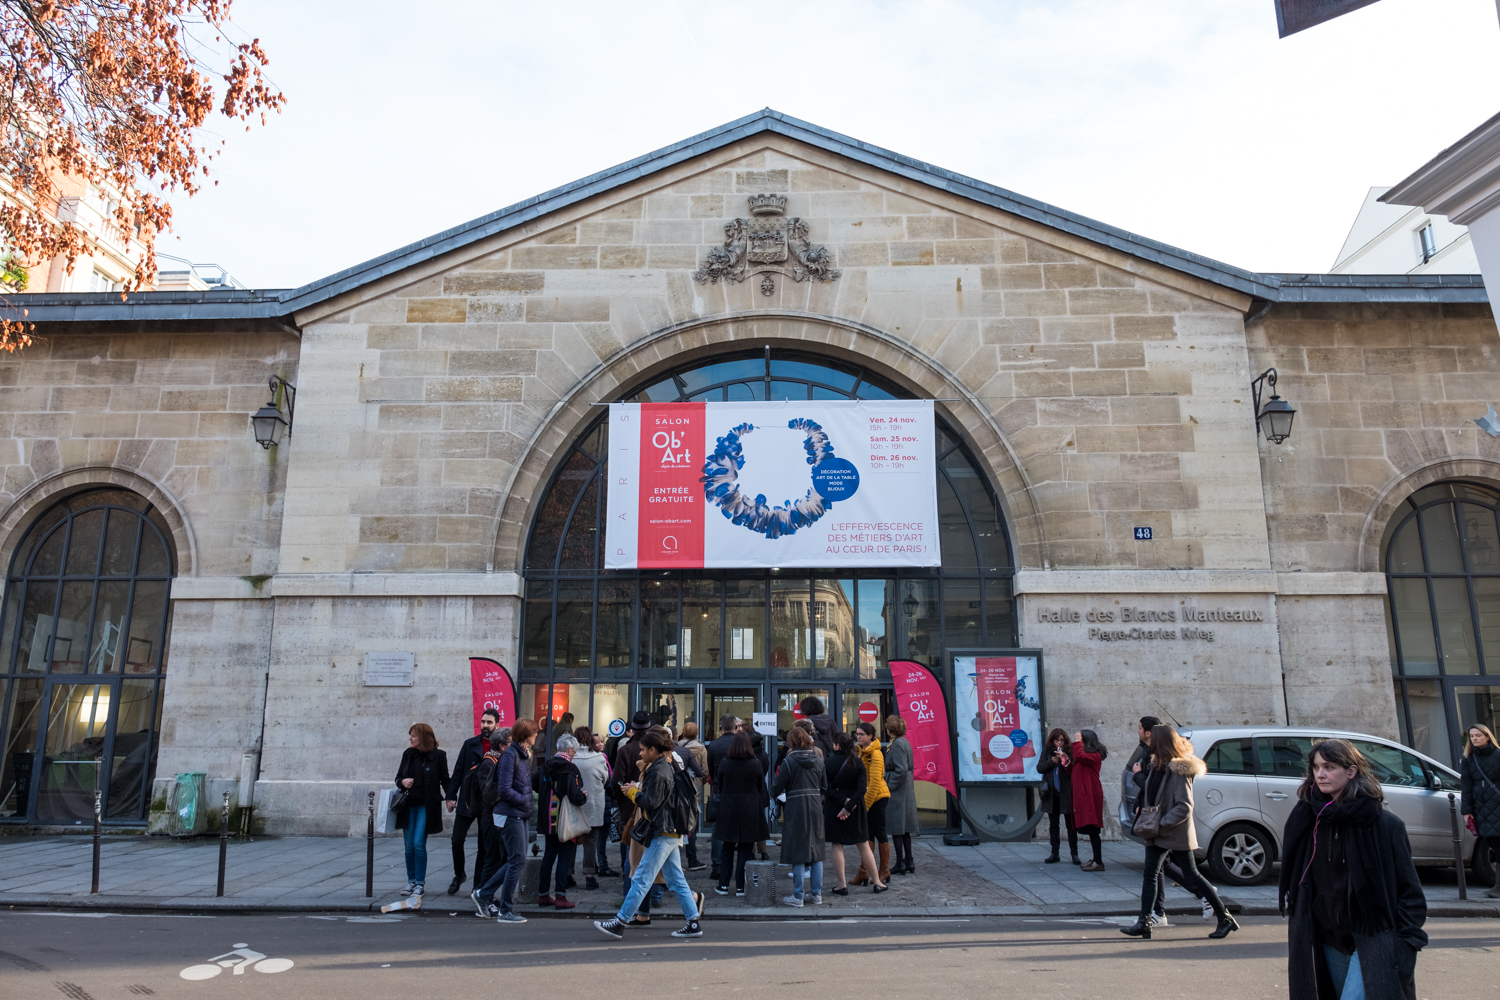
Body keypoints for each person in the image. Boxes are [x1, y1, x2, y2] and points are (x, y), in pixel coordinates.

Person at [1278, 738, 1427, 998]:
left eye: (1329, 767)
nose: (1320, 774)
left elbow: (1410, 893)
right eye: (1315, 767)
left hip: (1372, 938)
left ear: (1351, 771)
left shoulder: (1385, 825)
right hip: (1326, 939)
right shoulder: (1307, 819)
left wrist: (1407, 944)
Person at [1121, 725, 1236, 941]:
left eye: (1153, 739)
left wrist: (1161, 824)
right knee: (1150, 875)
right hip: (1158, 831)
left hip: (1173, 831)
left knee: (1192, 875)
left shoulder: (1178, 769)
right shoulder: (1158, 766)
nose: (1149, 743)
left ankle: (1225, 917)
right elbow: (1152, 795)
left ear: (1161, 742)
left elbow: (1184, 806)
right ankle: (1144, 922)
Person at [593, 729, 706, 939]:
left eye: (643, 750)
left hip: (662, 830)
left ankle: (620, 922)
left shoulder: (660, 769)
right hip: (669, 830)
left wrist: (633, 792)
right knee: (675, 879)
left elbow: (651, 802)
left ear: (653, 750)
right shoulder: (664, 766)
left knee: (642, 877)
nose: (640, 754)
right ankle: (692, 922)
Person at [474, 717, 538, 924]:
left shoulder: (520, 754)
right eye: (534, 732)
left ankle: (484, 894)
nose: (537, 735)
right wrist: (525, 800)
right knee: (516, 860)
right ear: (527, 735)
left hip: (519, 812)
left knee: (516, 860)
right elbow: (504, 789)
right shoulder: (511, 755)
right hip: (511, 812)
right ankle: (505, 909)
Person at [443, 708, 499, 895]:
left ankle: (478, 884)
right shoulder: (470, 745)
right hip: (468, 800)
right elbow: (458, 772)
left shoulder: (500, 748)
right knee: (456, 840)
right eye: (483, 722)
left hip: (487, 803)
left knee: (484, 846)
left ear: (496, 725)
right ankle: (459, 875)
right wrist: (450, 796)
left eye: (489, 722)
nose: (485, 725)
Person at [826, 731, 888, 894]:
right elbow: (861, 789)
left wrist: (843, 803)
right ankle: (877, 882)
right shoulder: (858, 763)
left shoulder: (828, 763)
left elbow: (826, 789)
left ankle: (842, 885)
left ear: (837, 745)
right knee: (863, 844)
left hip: (835, 807)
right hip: (856, 808)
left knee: (837, 845)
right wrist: (850, 806)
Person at [394, 722, 450, 897]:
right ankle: (410, 881)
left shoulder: (439, 756)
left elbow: (445, 779)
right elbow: (398, 778)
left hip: (426, 806)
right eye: (410, 735)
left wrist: (450, 797)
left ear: (423, 737)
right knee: (409, 846)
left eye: (413, 735)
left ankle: (419, 883)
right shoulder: (408, 754)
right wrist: (402, 782)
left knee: (419, 844)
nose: (410, 738)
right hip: (408, 806)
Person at [774, 725, 827, 906]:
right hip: (815, 806)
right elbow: (825, 786)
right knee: (816, 852)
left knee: (797, 851)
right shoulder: (819, 760)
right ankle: (816, 894)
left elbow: (777, 786)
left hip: (796, 806)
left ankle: (798, 895)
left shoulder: (789, 761)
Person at [535, 732, 588, 910]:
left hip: (546, 818)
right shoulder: (571, 769)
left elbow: (534, 783)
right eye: (575, 751)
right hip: (565, 820)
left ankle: (543, 895)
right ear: (570, 749)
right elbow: (575, 796)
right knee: (565, 857)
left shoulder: (545, 766)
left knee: (549, 856)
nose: (574, 755)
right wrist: (583, 796)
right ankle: (560, 896)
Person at [713, 730, 769, 896]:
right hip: (750, 808)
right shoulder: (755, 763)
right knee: (745, 847)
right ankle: (740, 886)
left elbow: (720, 785)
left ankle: (723, 884)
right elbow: (760, 786)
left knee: (727, 847)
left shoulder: (725, 763)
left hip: (728, 807)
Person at [468, 727, 510, 913]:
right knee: (492, 859)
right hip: (491, 819)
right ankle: (484, 897)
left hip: (498, 818)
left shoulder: (499, 760)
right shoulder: (489, 762)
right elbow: (490, 794)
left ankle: (488, 895)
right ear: (501, 746)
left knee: (499, 859)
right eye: (510, 743)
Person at [1459, 723, 1500, 900]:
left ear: (1487, 736)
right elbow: (1466, 786)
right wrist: (1467, 810)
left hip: (1498, 805)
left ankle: (1498, 887)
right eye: (1472, 736)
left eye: (1478, 735)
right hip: (1482, 808)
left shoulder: (1498, 755)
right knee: (1493, 844)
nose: (1475, 738)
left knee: (1498, 847)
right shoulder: (1468, 759)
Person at [851, 722, 891, 884]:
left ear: (870, 736)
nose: (858, 737)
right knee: (867, 834)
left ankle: (884, 870)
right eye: (857, 734)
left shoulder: (875, 754)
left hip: (877, 798)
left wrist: (864, 806)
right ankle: (864, 871)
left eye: (861, 734)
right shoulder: (863, 752)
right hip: (869, 797)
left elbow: (874, 782)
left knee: (879, 833)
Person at [572, 725, 610, 891]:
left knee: (570, 840)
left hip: (573, 804)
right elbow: (605, 779)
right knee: (591, 840)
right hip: (594, 803)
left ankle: (566, 874)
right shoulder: (599, 757)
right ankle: (589, 875)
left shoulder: (570, 758)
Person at [883, 715, 919, 877]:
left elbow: (901, 769)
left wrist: (890, 786)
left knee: (898, 828)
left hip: (898, 791)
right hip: (905, 789)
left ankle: (900, 863)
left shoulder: (897, 744)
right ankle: (908, 860)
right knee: (904, 829)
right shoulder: (904, 742)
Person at [1036, 727, 1076, 865]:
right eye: (1057, 740)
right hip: (1052, 793)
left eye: (1062, 741)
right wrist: (1052, 761)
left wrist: (1065, 759)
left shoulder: (1069, 752)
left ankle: (1074, 853)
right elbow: (1039, 767)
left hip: (1066, 792)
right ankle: (1055, 852)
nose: (1059, 743)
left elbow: (1074, 769)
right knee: (1054, 824)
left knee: (1071, 824)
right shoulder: (1047, 751)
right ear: (1052, 741)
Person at [706, 713, 739, 882]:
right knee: (740, 829)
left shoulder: (713, 745)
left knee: (717, 829)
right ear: (735, 727)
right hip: (738, 791)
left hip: (719, 790)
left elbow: (711, 771)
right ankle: (740, 868)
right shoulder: (741, 743)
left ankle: (717, 866)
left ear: (721, 727)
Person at [1070, 729, 1107, 871]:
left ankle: (1099, 861)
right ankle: (1096, 859)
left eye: (1081, 740)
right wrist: (1067, 763)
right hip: (1085, 794)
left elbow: (1079, 756)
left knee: (1093, 829)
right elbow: (1074, 769)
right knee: (1091, 829)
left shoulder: (1095, 756)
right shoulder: (1084, 756)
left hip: (1091, 794)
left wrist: (1077, 743)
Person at [677, 722, 710, 872]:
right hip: (694, 790)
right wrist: (698, 784)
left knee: (676, 822)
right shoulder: (702, 748)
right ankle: (692, 858)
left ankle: (676, 860)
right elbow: (704, 771)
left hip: (678, 789)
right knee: (692, 825)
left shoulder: (676, 748)